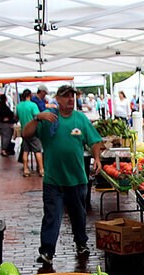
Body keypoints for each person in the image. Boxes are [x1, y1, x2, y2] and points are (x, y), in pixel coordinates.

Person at [23, 85, 104, 265]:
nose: (70, 99)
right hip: (53, 180)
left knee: (78, 215)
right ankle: (47, 251)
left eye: (72, 96)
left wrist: (97, 158)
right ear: (57, 99)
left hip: (76, 179)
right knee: (52, 216)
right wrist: (37, 117)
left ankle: (81, 243)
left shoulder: (80, 119)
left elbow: (95, 140)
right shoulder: (48, 119)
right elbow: (25, 133)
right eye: (66, 96)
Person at [15, 89, 44, 177]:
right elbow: (38, 117)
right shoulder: (33, 105)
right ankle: (41, 169)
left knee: (25, 151)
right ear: (30, 95)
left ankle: (25, 169)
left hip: (24, 131)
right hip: (33, 131)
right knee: (37, 151)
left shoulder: (19, 106)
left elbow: (16, 117)